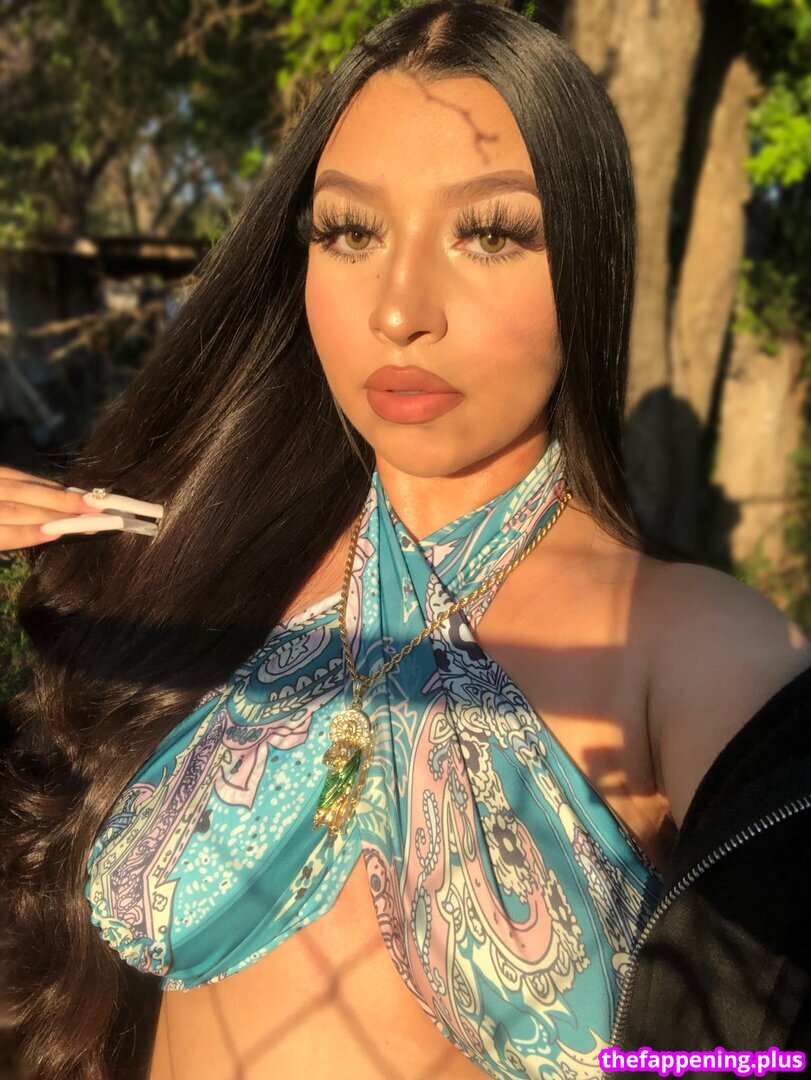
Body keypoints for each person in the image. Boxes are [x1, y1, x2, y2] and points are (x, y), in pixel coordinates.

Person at [0, 3, 809, 1079]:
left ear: (589, 264)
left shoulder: (679, 635)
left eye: (491, 233)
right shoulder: (207, 558)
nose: (398, 311)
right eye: (349, 231)